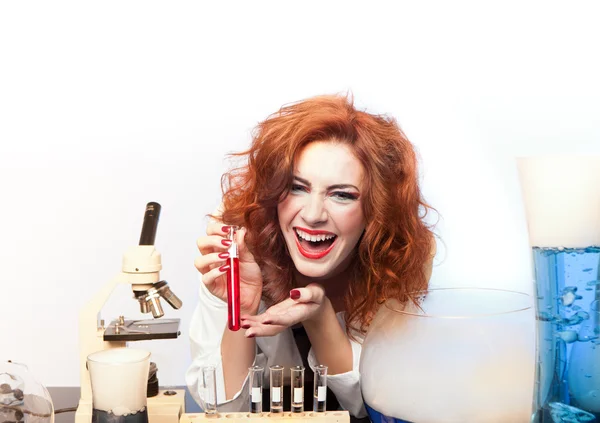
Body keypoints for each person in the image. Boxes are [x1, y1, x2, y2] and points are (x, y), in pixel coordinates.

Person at [186, 94, 436, 418]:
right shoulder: (238, 235)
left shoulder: (399, 255)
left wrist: (320, 319)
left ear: (376, 209)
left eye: (342, 194)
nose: (314, 214)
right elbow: (221, 408)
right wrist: (240, 310)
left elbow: (380, 405)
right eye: (296, 187)